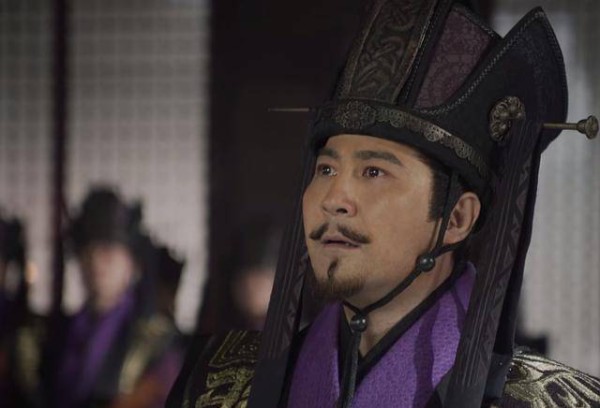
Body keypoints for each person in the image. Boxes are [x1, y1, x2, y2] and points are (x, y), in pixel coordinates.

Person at [167, 1, 600, 407]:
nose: (334, 199)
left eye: (374, 172)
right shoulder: (216, 386)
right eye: (326, 169)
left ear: (456, 218)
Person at [42, 188, 182, 408]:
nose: (96, 262)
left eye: (108, 252)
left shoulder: (157, 342)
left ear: (131, 263)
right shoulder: (57, 333)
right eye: (88, 252)